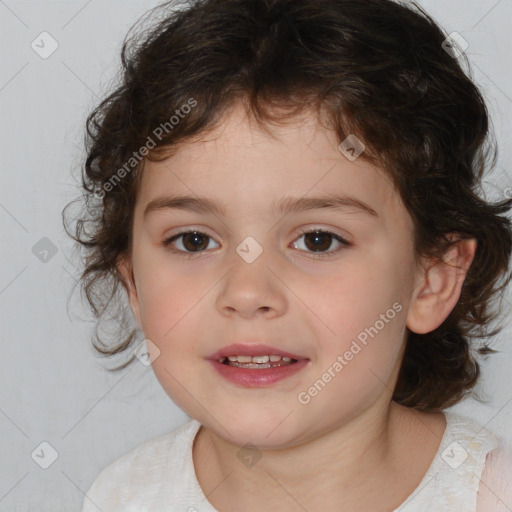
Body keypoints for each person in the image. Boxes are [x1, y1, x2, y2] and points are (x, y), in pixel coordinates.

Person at [63, 0, 512, 510]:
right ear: (134, 284)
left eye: (318, 240)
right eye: (194, 240)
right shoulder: (123, 497)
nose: (248, 293)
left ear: (430, 279)